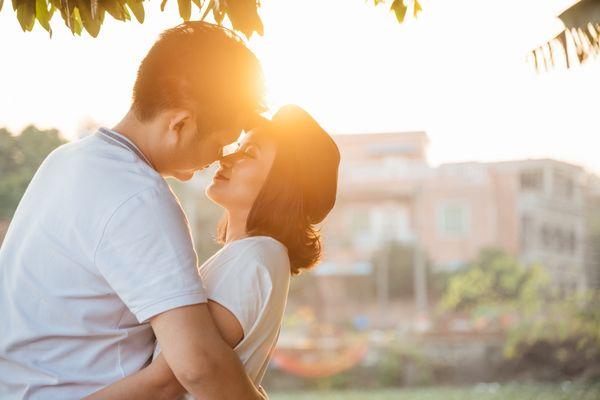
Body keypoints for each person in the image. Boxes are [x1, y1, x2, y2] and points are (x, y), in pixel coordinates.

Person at [0, 21, 267, 399]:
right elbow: (198, 366)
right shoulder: (140, 197)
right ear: (181, 124)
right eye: (220, 143)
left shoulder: (66, 160)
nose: (215, 160)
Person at [84, 105, 341, 399]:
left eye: (249, 153)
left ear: (282, 186)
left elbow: (171, 380)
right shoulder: (251, 257)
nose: (226, 157)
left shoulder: (253, 258)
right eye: (238, 147)